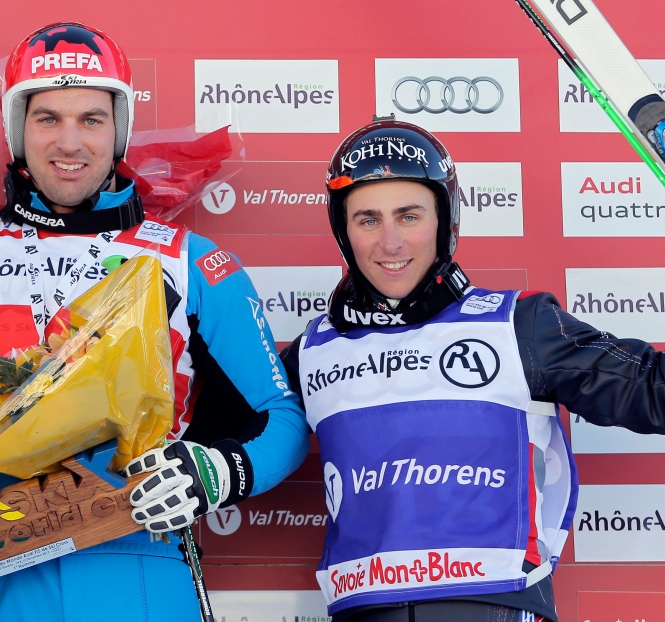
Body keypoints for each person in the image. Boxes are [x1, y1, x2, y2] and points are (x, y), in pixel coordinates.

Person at [0, 6, 311, 621]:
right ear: (17, 128)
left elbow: (282, 419)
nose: (69, 142)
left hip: (140, 571)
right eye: (46, 116)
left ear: (119, 131)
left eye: (92, 119)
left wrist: (216, 472)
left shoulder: (192, 262)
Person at [280, 117, 665, 622]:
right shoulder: (312, 349)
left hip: (494, 604)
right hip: (365, 609)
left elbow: (652, 391)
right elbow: (232, 438)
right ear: (343, 231)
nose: (390, 243)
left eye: (410, 216)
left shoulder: (520, 324)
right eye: (368, 220)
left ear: (444, 219)